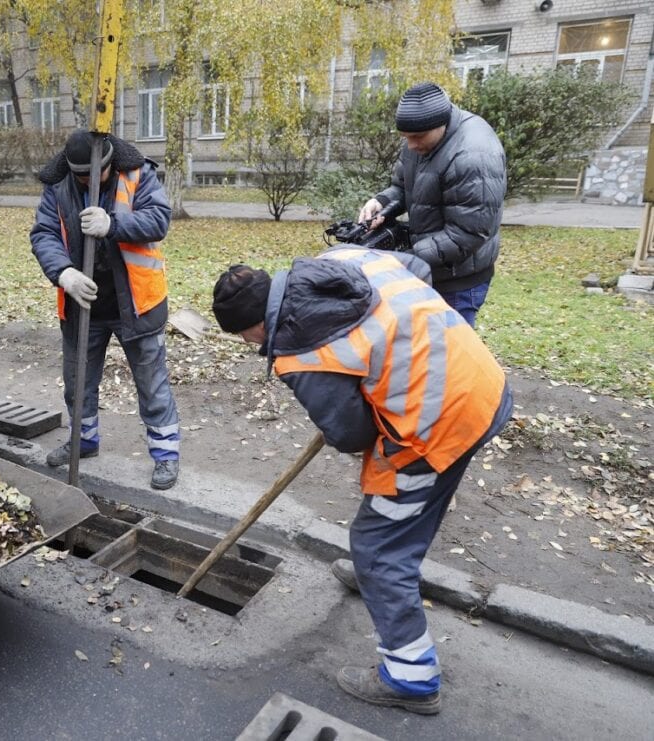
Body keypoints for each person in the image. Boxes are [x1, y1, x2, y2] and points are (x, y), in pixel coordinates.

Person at [211, 246, 513, 715]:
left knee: (378, 545)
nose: (251, 345)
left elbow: (351, 434)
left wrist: (348, 391)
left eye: (246, 337)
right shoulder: (340, 261)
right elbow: (418, 268)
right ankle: (382, 575)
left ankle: (411, 679)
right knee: (405, 515)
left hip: (434, 424)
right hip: (478, 380)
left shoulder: (298, 350)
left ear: (254, 325)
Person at [30, 130, 180, 490]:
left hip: (137, 302)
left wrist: (114, 223)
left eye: (98, 173)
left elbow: (159, 219)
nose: (91, 181)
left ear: (110, 163)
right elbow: (44, 234)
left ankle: (166, 456)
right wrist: (63, 273)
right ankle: (84, 441)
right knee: (78, 382)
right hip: (84, 304)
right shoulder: (59, 185)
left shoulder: (137, 174)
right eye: (83, 177)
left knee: (152, 384)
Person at [358, 81, 506, 328]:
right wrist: (381, 203)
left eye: (416, 138)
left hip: (459, 280)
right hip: (430, 267)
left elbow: (468, 233)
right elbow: (404, 186)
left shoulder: (473, 155)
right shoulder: (420, 137)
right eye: (405, 138)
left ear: (441, 124)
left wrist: (406, 260)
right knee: (424, 346)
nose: (410, 146)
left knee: (451, 356)